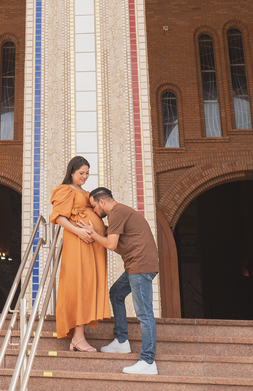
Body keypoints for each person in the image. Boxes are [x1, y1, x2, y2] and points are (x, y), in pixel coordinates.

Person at [84, 187, 160, 375]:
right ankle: (121, 341)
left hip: (140, 266)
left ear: (102, 202)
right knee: (116, 293)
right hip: (138, 265)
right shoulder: (120, 213)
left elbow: (111, 244)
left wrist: (93, 234)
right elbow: (113, 236)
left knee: (144, 313)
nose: (94, 211)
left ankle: (148, 361)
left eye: (94, 206)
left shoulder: (116, 212)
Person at [49, 156, 110, 352]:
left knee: (89, 284)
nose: (84, 177)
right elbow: (58, 217)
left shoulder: (86, 192)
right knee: (78, 283)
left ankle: (79, 335)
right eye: (81, 173)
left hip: (92, 244)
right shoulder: (65, 190)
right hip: (77, 242)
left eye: (87, 173)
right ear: (72, 172)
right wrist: (79, 232)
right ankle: (77, 336)